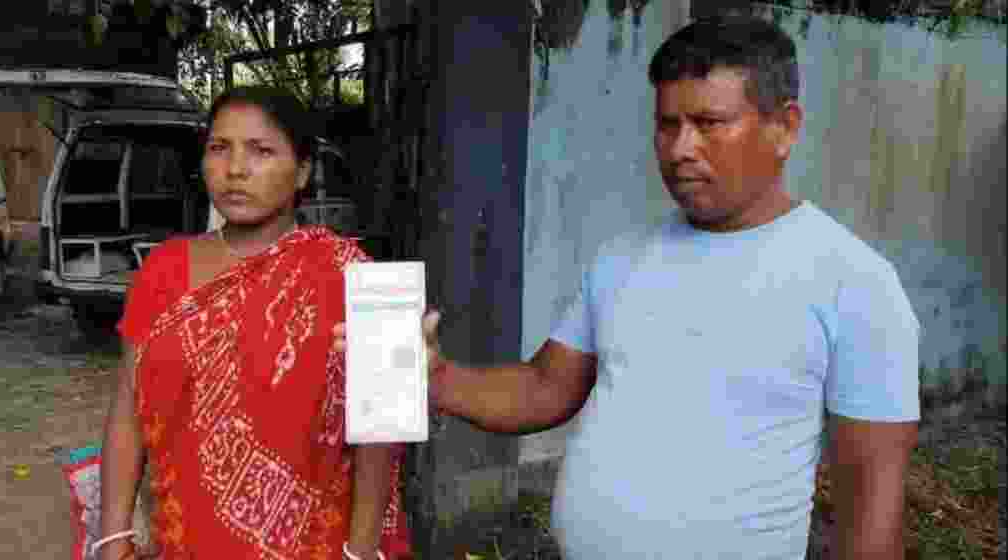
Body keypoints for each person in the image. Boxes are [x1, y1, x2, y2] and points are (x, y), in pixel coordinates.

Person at [335, 14, 921, 560]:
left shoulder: (854, 284)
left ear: (784, 127)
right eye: (668, 125)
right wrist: (435, 379)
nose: (681, 148)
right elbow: (545, 387)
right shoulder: (623, 257)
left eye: (710, 123)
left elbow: (872, 507)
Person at [98, 86, 411, 560]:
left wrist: (361, 552)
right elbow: (127, 412)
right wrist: (113, 536)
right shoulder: (162, 272)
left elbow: (381, 431)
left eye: (261, 150)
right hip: (186, 542)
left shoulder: (357, 277)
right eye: (219, 148)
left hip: (316, 548)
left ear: (303, 169)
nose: (236, 169)